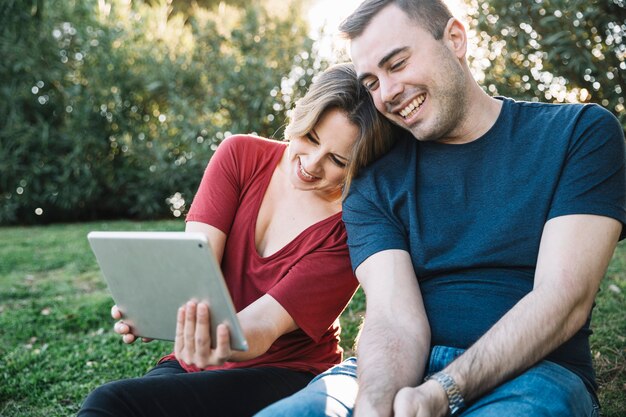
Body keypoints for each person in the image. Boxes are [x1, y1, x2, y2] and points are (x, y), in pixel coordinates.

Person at [255, 1, 626, 416]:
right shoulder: (373, 180)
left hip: (534, 375)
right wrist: (375, 404)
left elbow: (563, 299)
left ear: (455, 39)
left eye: (396, 64)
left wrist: (445, 391)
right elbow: (393, 315)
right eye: (372, 83)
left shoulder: (577, 134)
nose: (388, 93)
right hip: (391, 372)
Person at [78, 62, 395, 417]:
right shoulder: (239, 155)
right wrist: (162, 309)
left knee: (110, 402)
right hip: (198, 361)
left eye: (337, 160)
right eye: (310, 138)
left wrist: (205, 333)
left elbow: (262, 327)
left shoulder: (351, 227)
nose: (311, 164)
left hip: (284, 373)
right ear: (300, 116)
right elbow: (193, 273)